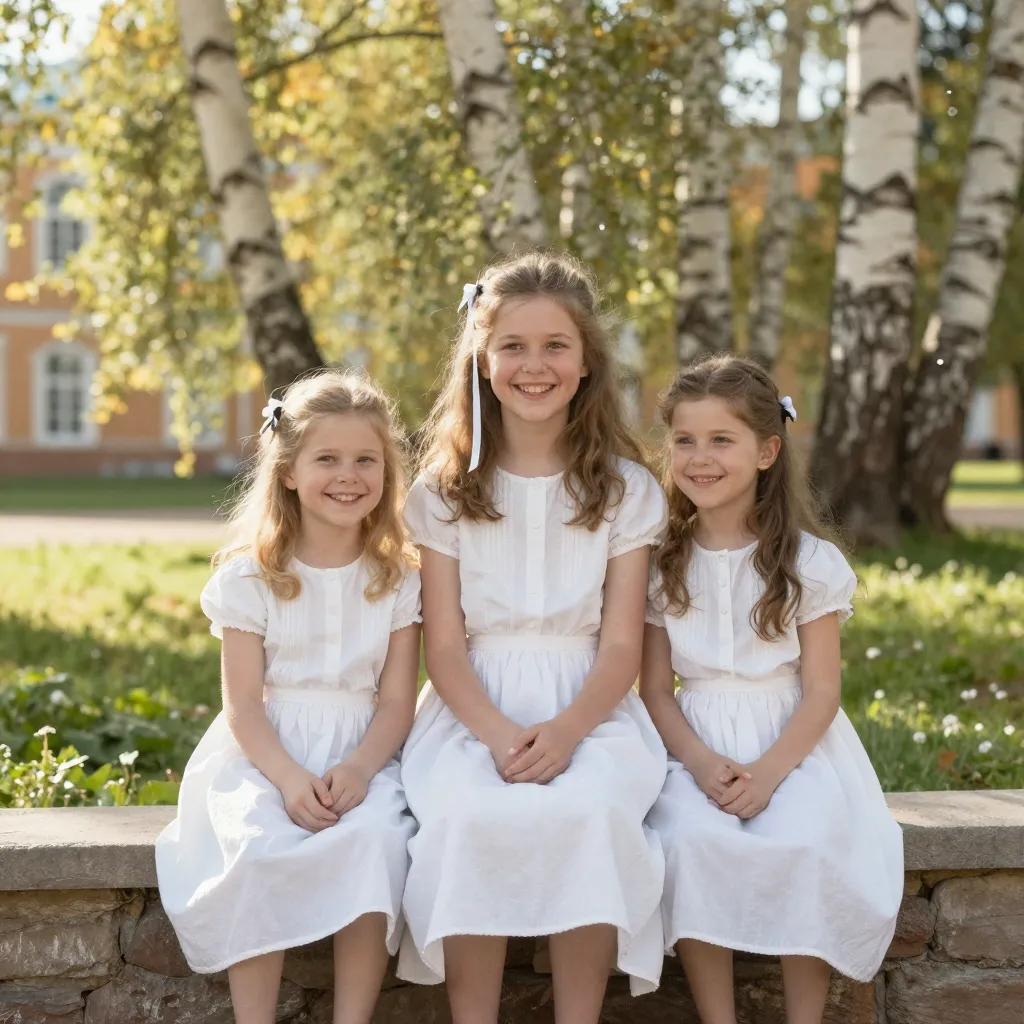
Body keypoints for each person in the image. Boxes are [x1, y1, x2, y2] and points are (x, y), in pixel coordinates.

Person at [398, 251, 669, 1023]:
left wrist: (568, 731)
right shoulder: (443, 493)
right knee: (468, 816)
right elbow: (443, 648)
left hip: (592, 704)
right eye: (512, 346)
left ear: (586, 363)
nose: (535, 366)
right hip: (470, 709)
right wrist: (498, 735)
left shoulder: (625, 490)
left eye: (556, 346)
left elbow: (621, 647)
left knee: (592, 811)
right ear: (483, 362)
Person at [639, 355, 903, 1024]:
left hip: (794, 746)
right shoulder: (659, 561)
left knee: (807, 842)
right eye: (685, 440)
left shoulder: (810, 563)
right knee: (688, 842)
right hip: (693, 744)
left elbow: (821, 691)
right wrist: (701, 764)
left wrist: (768, 773)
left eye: (721, 440)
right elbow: (656, 690)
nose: (700, 458)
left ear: (766, 451)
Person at [156, 369, 421, 1024]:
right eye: (327, 459)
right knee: (255, 847)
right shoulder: (252, 575)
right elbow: (243, 706)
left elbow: (396, 701)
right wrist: (289, 777)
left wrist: (359, 769)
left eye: (366, 460)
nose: (348, 476)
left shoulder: (397, 577)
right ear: (289, 471)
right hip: (264, 754)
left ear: (387, 471)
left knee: (376, 843)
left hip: (364, 752)